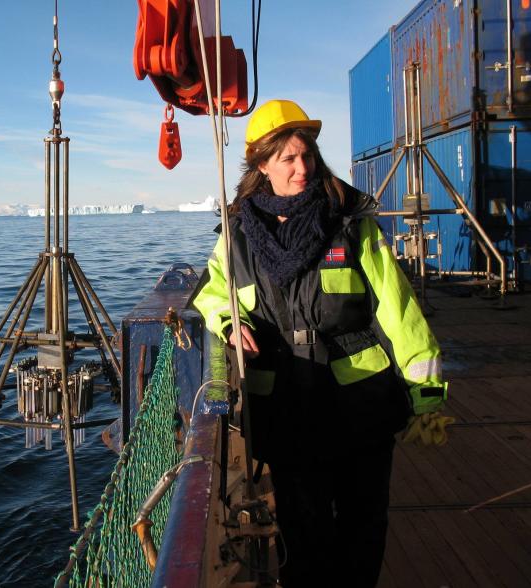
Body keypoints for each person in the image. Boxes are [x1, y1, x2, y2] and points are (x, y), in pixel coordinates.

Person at [192, 99, 448, 587]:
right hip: (286, 408)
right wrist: (228, 322)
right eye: (287, 159)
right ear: (262, 166)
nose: (302, 168)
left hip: (361, 406)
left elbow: (397, 308)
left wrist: (428, 392)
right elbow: (211, 293)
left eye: (307, 155)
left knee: (363, 527)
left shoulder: (350, 224)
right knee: (302, 531)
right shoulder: (237, 236)